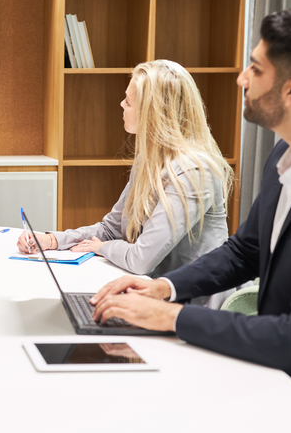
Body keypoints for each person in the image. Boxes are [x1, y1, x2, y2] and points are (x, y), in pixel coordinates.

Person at [90, 9, 291, 407]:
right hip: (275, 369)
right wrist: (164, 288)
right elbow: (244, 250)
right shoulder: (287, 151)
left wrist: (172, 317)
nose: (241, 79)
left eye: (255, 68)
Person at [18, 60, 235, 308]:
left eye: (128, 101)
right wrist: (52, 240)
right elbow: (111, 229)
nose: (121, 104)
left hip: (194, 306)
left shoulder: (194, 171)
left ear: (152, 112)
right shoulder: (149, 159)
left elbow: (141, 258)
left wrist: (104, 248)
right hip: (153, 294)